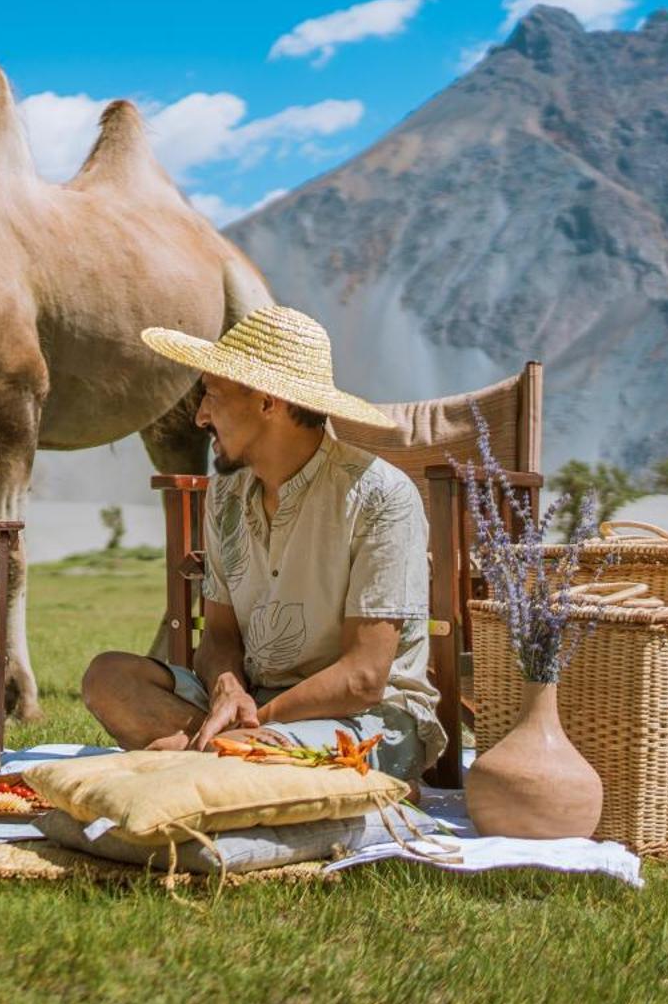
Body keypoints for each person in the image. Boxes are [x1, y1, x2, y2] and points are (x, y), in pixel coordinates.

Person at [79, 306, 444, 783]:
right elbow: (220, 637)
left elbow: (363, 678)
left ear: (268, 402)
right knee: (108, 677)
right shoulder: (226, 495)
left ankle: (213, 761)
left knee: (261, 749)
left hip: (364, 718)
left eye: (211, 394)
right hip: (259, 701)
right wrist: (228, 690)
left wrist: (255, 723)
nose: (201, 416)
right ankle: (239, 768)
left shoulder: (381, 497)